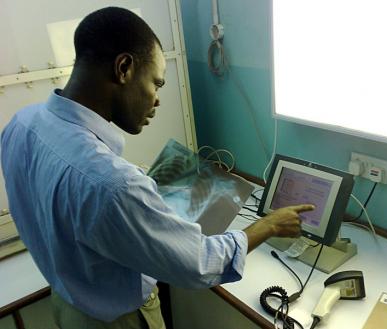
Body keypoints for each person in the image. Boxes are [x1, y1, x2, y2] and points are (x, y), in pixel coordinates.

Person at [0, 7, 314, 329]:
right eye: (157, 84)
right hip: (116, 319)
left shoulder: (22, 124)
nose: (157, 100)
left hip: (67, 302)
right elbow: (198, 263)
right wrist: (269, 225)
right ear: (124, 68)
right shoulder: (112, 184)